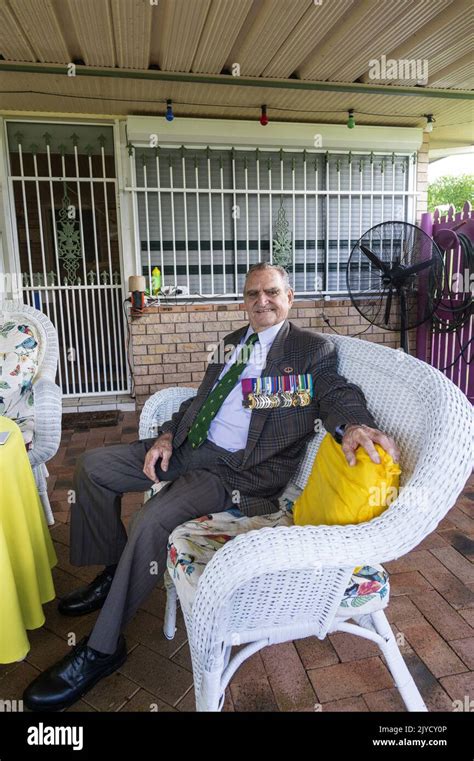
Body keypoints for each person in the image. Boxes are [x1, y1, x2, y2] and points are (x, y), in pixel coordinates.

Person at [24, 262, 399, 711]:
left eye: (272, 292)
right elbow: (198, 401)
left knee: (152, 519)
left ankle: (102, 649)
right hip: (187, 446)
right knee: (93, 466)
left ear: (289, 297)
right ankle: (111, 574)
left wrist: (354, 425)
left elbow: (337, 391)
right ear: (244, 300)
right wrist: (165, 436)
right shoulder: (229, 345)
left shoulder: (309, 350)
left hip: (234, 473)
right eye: (253, 293)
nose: (262, 301)